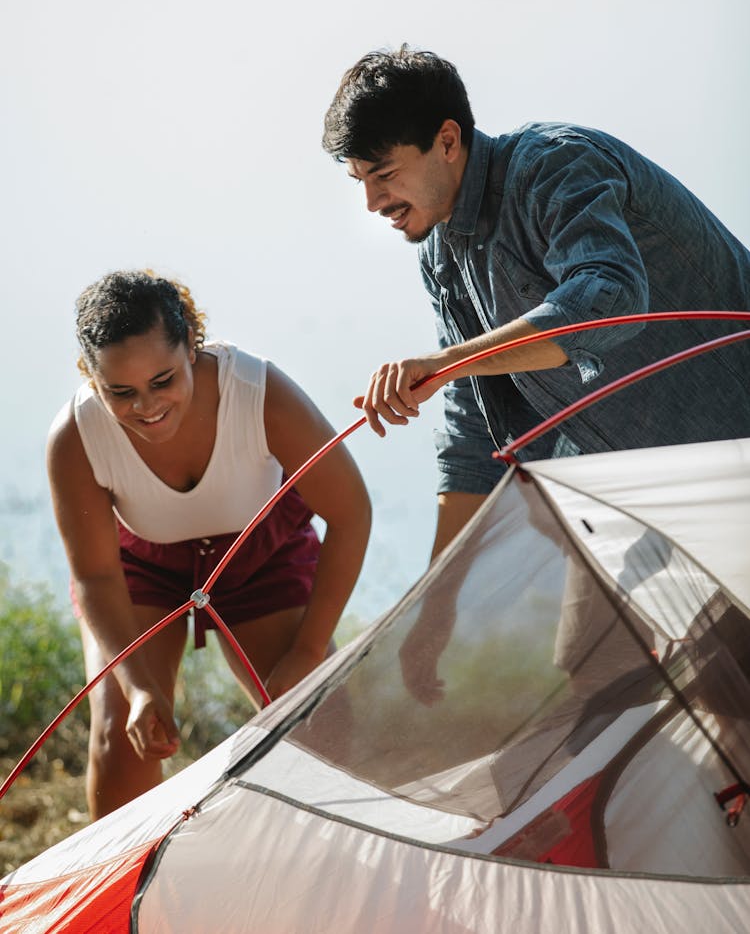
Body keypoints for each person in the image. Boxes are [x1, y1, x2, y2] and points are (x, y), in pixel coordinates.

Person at [322, 45, 750, 701]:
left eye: (384, 175)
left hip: (731, 451)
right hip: (630, 490)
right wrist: (435, 610)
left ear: (447, 141)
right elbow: (471, 433)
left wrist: (445, 362)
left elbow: (608, 303)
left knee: (725, 664)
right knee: (594, 668)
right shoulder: (441, 254)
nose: (374, 201)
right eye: (361, 183)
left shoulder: (553, 162)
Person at [47, 270, 371, 818]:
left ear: (191, 344)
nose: (147, 407)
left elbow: (351, 513)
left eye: (163, 380)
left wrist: (308, 649)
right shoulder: (75, 437)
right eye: (119, 392)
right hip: (142, 567)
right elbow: (97, 577)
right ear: (91, 377)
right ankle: (126, 900)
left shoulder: (259, 393)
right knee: (120, 740)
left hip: (261, 553)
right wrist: (140, 687)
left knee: (322, 727)